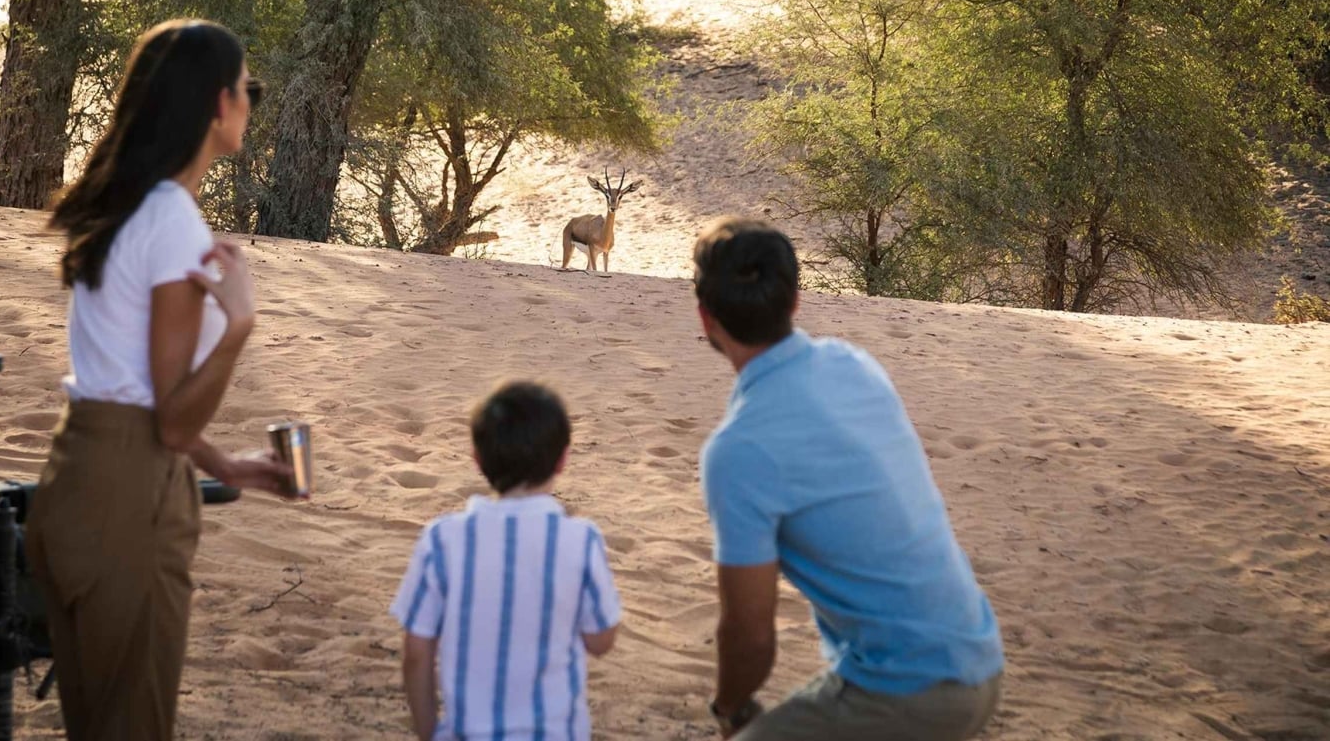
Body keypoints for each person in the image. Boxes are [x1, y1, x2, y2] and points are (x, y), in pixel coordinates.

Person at [27, 19, 293, 741]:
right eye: (245, 90)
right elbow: (168, 419)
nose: (249, 104)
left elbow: (130, 384)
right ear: (216, 104)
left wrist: (222, 462)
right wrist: (238, 327)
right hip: (127, 498)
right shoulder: (171, 218)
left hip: (76, 474)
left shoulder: (129, 206)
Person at [692, 218, 1004, 740]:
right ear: (794, 301)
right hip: (981, 658)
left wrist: (729, 708)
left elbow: (749, 638)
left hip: (909, 690)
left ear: (706, 319)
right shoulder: (853, 365)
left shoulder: (738, 450)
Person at [391, 381, 623, 741]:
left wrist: (428, 732)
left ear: (477, 460)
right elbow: (601, 641)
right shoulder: (580, 539)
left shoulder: (442, 539)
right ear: (563, 459)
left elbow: (417, 653)